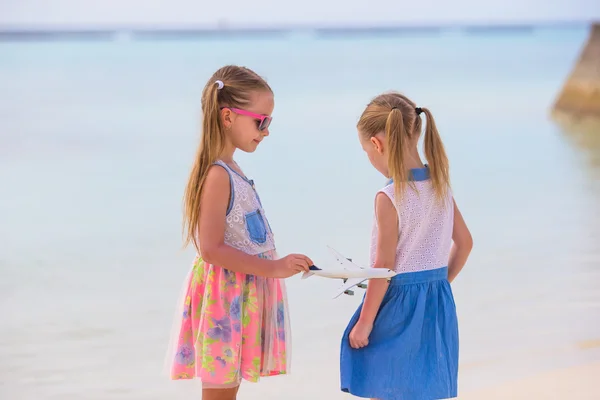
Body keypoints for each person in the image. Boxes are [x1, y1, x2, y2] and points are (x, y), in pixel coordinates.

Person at [165, 65, 313, 400]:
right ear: (228, 117)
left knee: (229, 391)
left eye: (269, 122)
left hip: (241, 293)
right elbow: (211, 249)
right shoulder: (218, 175)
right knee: (219, 393)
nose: (266, 131)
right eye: (261, 121)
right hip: (225, 297)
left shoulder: (234, 169)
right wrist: (274, 268)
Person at [339, 92, 473, 400]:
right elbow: (465, 244)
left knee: (382, 387)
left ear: (377, 144)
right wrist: (436, 284)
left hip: (396, 307)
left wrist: (365, 322)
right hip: (436, 304)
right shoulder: (439, 184)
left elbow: (383, 269)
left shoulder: (389, 197)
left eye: (365, 151)